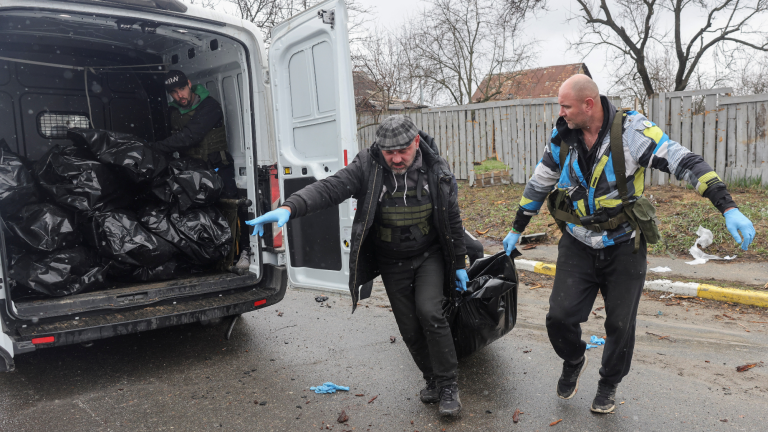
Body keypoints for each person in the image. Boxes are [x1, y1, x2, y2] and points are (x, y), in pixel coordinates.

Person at [503, 75, 756, 414]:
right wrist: (517, 228)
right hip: (578, 243)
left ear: (588, 105)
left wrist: (728, 207)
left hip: (624, 244)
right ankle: (574, 357)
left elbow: (685, 162)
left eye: (565, 106)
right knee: (559, 318)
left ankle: (608, 384)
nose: (560, 112)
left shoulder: (633, 132)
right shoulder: (562, 136)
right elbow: (540, 181)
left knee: (620, 325)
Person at [246, 115, 468, 417]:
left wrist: (458, 262)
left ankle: (448, 386)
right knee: (409, 328)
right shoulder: (368, 165)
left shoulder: (436, 169)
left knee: (430, 312)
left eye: (403, 150)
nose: (397, 158)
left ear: (416, 142)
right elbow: (329, 189)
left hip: (428, 254)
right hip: (392, 259)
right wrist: (290, 207)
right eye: (390, 152)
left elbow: (451, 217)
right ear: (380, 148)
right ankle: (432, 379)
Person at [153, 70, 246, 270]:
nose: (180, 96)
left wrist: (154, 148)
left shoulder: (209, 106)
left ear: (189, 84)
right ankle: (206, 257)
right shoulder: (173, 111)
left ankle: (242, 252)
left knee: (231, 207)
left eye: (182, 89)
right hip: (193, 171)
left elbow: (189, 137)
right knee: (194, 214)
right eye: (174, 92)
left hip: (218, 167)